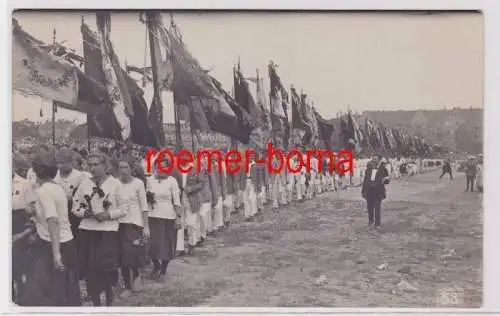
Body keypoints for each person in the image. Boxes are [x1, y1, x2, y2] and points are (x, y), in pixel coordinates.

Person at [20, 149, 81, 306]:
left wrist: (56, 254)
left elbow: (53, 220)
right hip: (66, 241)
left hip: (53, 244)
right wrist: (36, 210)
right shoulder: (57, 187)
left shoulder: (44, 191)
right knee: (63, 289)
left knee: (48, 291)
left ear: (38, 170)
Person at [116, 158, 149, 297]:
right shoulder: (116, 183)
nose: (122, 170)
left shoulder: (138, 183)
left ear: (131, 169)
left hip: (134, 223)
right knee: (122, 256)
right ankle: (127, 286)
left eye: (125, 167)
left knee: (132, 254)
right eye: (120, 167)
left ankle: (136, 277)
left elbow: (144, 206)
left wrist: (146, 226)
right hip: (118, 223)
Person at [146, 159, 182, 281]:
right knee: (152, 244)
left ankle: (163, 269)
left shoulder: (172, 181)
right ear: (154, 166)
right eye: (159, 166)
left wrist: (178, 217)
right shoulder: (149, 180)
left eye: (164, 167)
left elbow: (176, 200)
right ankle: (156, 265)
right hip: (152, 215)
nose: (161, 169)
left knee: (167, 244)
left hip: (168, 216)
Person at [361, 156, 390, 229]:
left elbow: (387, 179)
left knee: (377, 208)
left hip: (378, 191)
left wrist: (385, 180)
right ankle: (370, 221)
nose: (374, 161)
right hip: (369, 190)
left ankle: (377, 224)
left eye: (376, 160)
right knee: (369, 207)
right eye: (373, 160)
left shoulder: (383, 169)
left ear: (378, 161)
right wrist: (363, 191)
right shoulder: (368, 169)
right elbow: (365, 180)